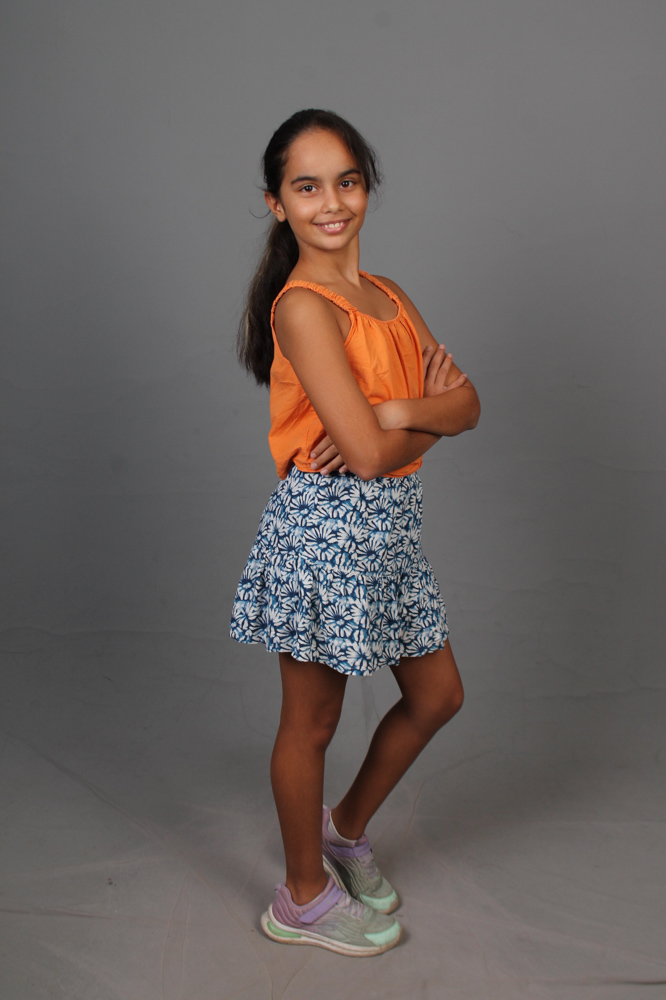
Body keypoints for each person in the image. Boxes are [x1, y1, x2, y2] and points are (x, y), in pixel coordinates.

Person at [230, 109, 480, 956]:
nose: (331, 202)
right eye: (307, 187)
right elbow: (367, 458)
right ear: (278, 203)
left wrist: (397, 409)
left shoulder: (391, 296)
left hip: (390, 534)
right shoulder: (304, 308)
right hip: (324, 534)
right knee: (312, 723)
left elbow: (469, 405)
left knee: (438, 695)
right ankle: (300, 896)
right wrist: (420, 419)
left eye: (346, 180)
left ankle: (343, 832)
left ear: (367, 187)